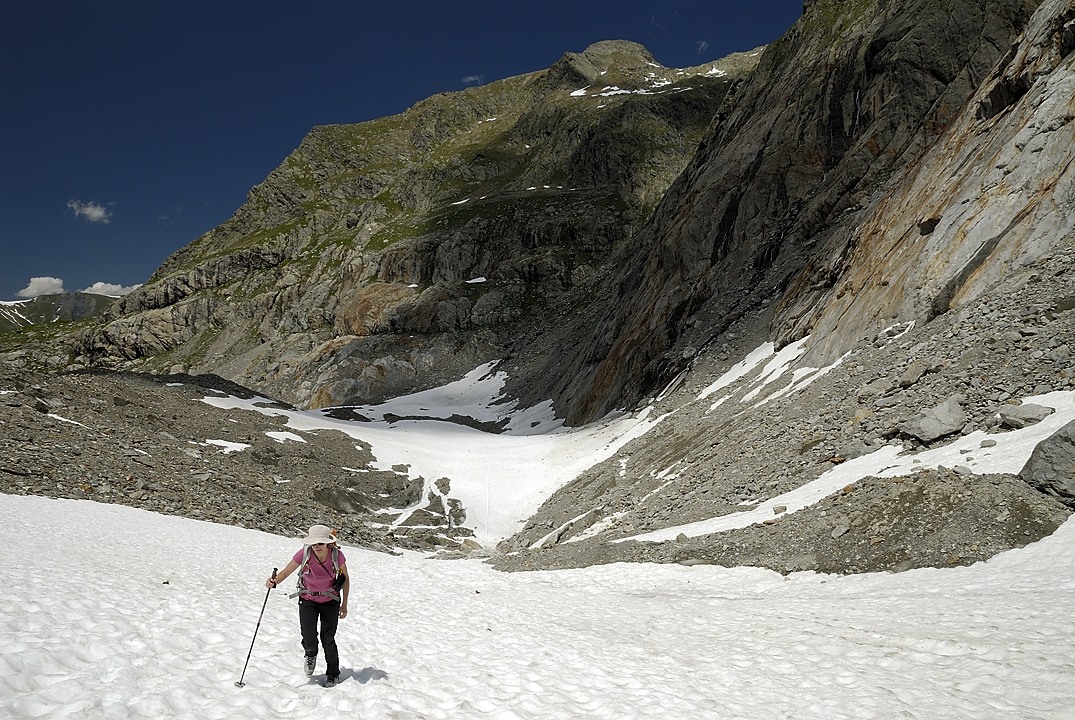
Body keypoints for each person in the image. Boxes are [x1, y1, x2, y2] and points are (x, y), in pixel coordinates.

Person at [267, 524, 350, 686]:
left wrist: (344, 604)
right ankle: (310, 654)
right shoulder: (304, 553)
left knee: (328, 638)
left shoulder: (337, 555)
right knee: (309, 636)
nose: (317, 546)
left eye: (320, 543)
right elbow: (286, 572)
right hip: (307, 599)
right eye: (314, 543)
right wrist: (274, 582)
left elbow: (345, 580)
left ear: (327, 543)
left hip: (330, 601)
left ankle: (333, 673)